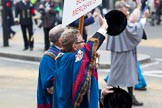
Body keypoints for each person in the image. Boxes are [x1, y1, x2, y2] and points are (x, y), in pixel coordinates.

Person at [52, 15, 108, 108]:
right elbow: (88, 49)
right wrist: (103, 28)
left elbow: (83, 84)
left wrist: (100, 92)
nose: (84, 44)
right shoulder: (69, 59)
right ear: (74, 46)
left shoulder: (63, 58)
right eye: (82, 41)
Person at [106, 0, 149, 106]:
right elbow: (133, 29)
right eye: (126, 7)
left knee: (128, 75)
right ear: (120, 9)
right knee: (115, 77)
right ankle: (109, 97)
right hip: (122, 52)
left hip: (123, 51)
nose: (128, 9)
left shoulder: (115, 19)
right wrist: (144, 18)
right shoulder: (119, 20)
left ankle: (130, 97)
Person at [37, 24, 65, 108]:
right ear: (60, 40)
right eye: (67, 35)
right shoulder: (48, 57)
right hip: (50, 102)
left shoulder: (64, 52)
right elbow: (48, 82)